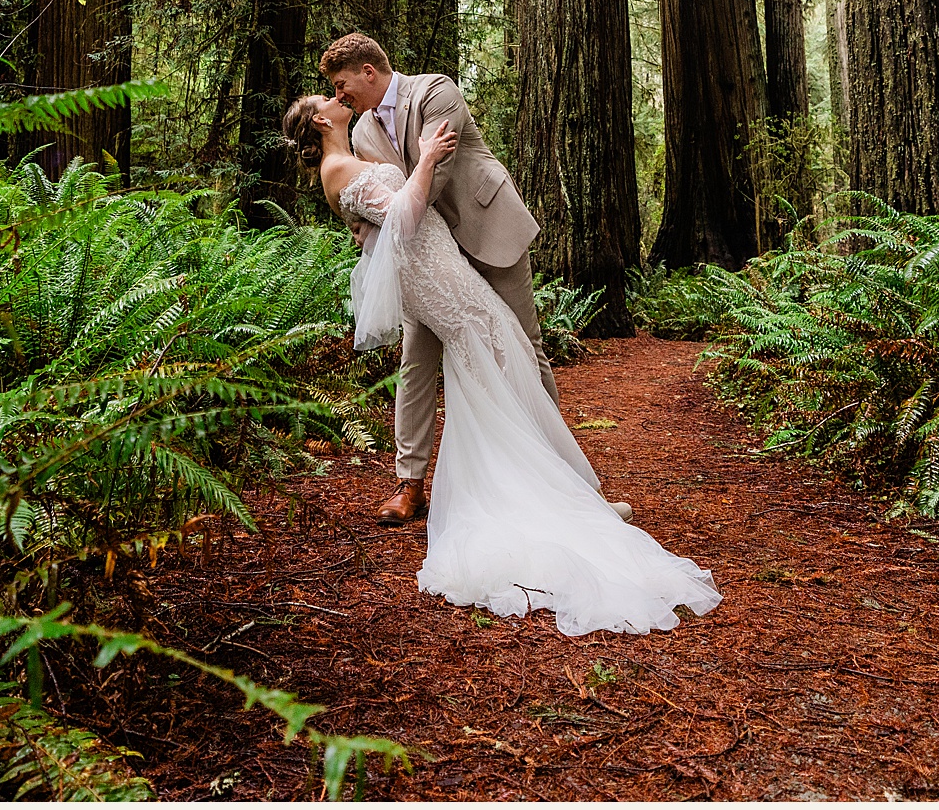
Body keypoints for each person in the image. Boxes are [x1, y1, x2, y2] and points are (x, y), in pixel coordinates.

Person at [282, 91, 719, 636]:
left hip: (442, 266)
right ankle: (535, 497)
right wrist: (424, 160)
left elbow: (380, 224)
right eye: (327, 97)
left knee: (497, 361)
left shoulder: (379, 130)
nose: (337, 96)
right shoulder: (342, 160)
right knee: (494, 355)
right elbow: (403, 216)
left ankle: (560, 487)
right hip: (436, 278)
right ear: (322, 120)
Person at [317, 32, 551, 525]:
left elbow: (434, 173)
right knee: (415, 362)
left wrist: (388, 215)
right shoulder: (359, 133)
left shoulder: (435, 91)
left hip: (487, 228)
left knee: (523, 345)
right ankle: (410, 483)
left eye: (343, 84)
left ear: (368, 71)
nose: (340, 96)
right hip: (428, 258)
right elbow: (373, 191)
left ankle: (554, 468)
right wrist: (361, 221)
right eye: (334, 91)